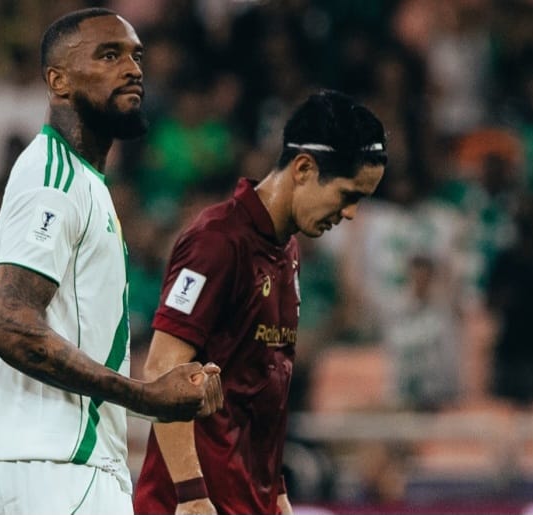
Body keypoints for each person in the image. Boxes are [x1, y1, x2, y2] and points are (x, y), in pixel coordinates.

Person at [0, 8, 222, 515]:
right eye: (109, 55)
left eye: (136, 56)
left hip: (63, 466)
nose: (132, 69)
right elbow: (11, 327)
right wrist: (145, 397)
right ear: (58, 81)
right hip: (59, 466)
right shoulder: (53, 179)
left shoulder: (82, 180)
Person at [134, 90, 388, 515]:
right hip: (194, 506)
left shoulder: (287, 252)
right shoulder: (216, 241)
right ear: (303, 169)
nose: (350, 214)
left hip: (249, 502)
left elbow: (261, 389)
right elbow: (162, 367)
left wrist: (277, 491)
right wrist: (191, 495)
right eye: (348, 195)